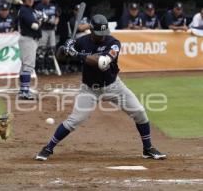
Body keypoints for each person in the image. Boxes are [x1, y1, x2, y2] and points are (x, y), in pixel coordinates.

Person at [35, 14, 167, 161]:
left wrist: (76, 54)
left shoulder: (113, 43)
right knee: (75, 120)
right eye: (99, 34)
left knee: (140, 113)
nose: (102, 37)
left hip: (114, 86)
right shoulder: (82, 42)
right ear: (91, 30)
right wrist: (65, 47)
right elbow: (60, 57)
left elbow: (103, 62)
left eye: (104, 33)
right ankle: (48, 148)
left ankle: (147, 148)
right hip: (89, 89)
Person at [17, 0, 45, 100]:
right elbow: (34, 26)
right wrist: (41, 19)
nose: (30, 0)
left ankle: (23, 90)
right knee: (28, 66)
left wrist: (40, 17)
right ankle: (24, 92)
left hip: (30, 40)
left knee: (25, 65)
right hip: (28, 39)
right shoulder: (24, 10)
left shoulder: (29, 10)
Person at [35, 0, 60, 75]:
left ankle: (50, 68)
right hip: (43, 29)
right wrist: (45, 20)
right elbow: (37, 18)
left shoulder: (54, 6)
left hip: (52, 30)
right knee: (41, 49)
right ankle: (40, 69)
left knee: (51, 50)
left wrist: (55, 22)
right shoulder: (39, 6)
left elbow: (57, 17)